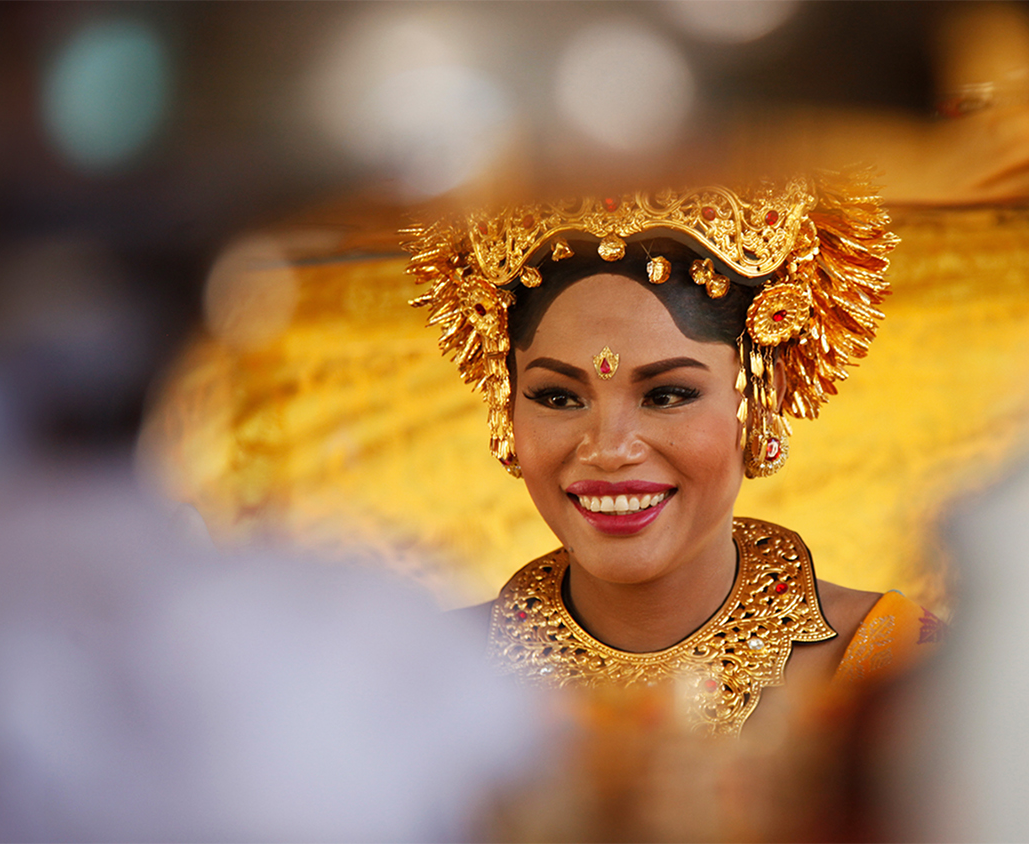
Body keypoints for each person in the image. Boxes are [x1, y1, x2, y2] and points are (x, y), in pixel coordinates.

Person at [404, 173, 946, 736]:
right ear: (505, 400)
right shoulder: (416, 684)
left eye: (666, 396)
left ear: (766, 394)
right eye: (558, 398)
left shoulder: (896, 671)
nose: (609, 450)